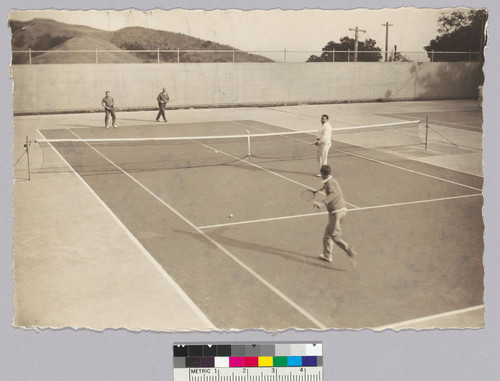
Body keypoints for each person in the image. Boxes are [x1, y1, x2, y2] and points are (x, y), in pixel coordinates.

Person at [313, 165, 357, 265]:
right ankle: (327, 255)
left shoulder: (329, 184)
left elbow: (332, 193)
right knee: (327, 234)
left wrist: (322, 203)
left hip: (336, 212)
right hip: (342, 210)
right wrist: (318, 190)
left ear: (323, 174)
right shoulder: (332, 180)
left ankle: (349, 250)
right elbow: (327, 186)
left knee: (334, 235)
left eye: (321, 174)